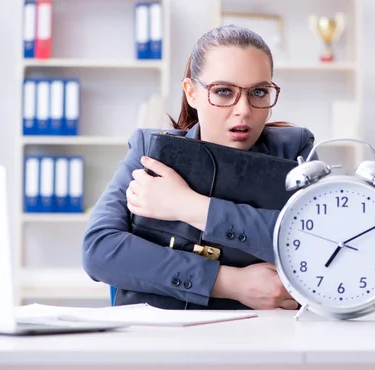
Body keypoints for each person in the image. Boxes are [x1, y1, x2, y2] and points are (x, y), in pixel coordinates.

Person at [82, 25, 316, 311]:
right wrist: (230, 283)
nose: (243, 109)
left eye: (258, 92)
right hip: (159, 342)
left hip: (264, 341)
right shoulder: (150, 150)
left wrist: (189, 206)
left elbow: (317, 242)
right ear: (191, 93)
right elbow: (100, 250)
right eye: (223, 91)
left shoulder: (294, 152)